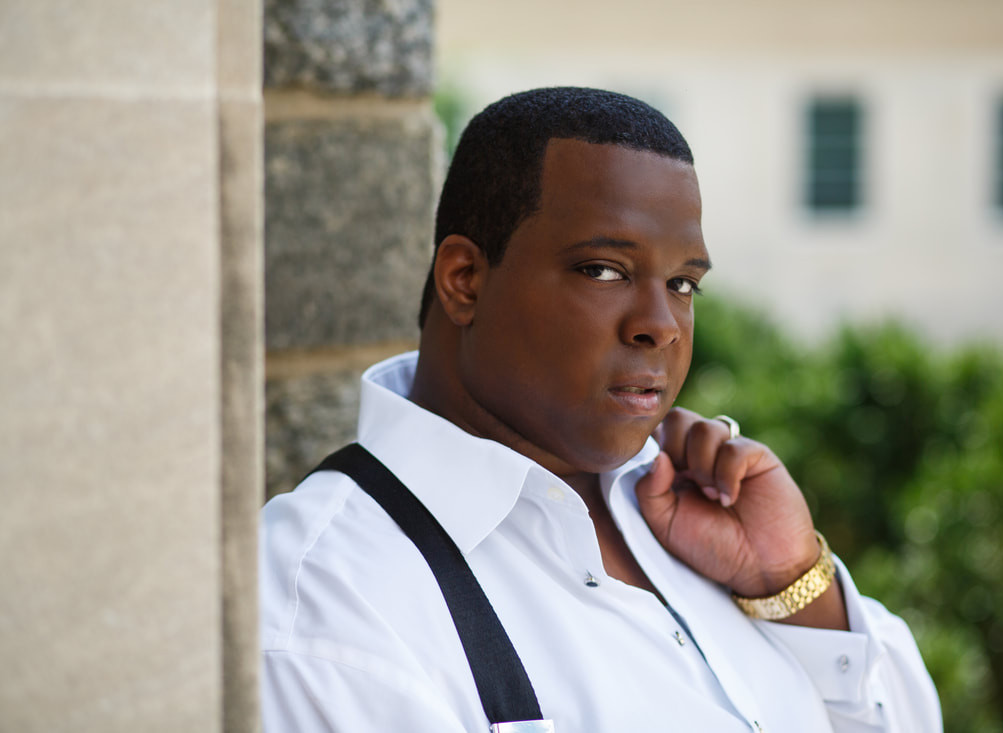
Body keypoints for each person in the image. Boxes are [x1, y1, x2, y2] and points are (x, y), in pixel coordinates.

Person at [260, 87, 941, 731]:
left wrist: (794, 585)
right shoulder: (324, 598)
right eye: (604, 270)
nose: (661, 325)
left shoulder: (708, 523)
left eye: (682, 283)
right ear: (464, 279)